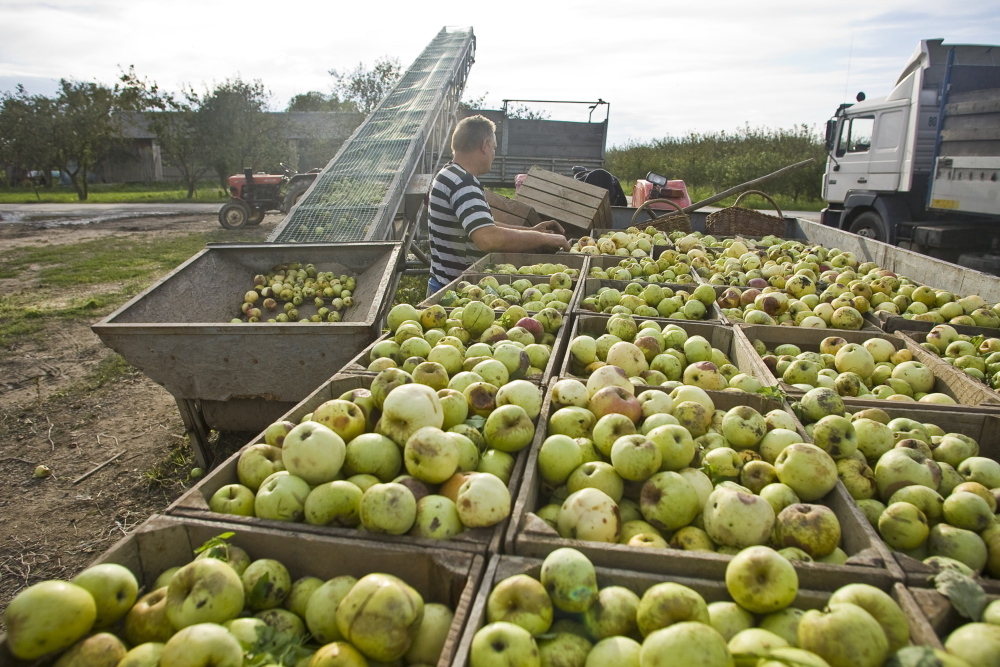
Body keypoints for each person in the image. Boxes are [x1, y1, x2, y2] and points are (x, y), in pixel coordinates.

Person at [427, 115, 569, 295]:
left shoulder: (449, 174)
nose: (494, 154)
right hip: (453, 291)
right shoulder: (463, 182)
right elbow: (488, 238)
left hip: (444, 284)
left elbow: (483, 226)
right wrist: (546, 239)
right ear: (485, 145)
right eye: (494, 147)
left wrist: (533, 231)